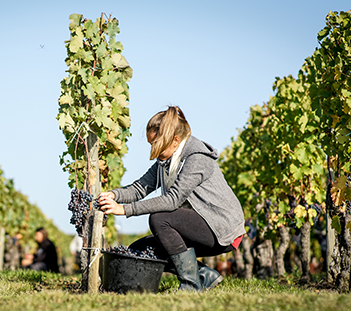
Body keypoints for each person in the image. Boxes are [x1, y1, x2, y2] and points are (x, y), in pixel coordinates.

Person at [98, 106, 245, 292]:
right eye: (151, 144)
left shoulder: (197, 158)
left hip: (221, 228)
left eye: (157, 144)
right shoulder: (165, 161)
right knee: (141, 249)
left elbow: (172, 200)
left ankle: (191, 286)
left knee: (159, 218)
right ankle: (204, 276)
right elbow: (140, 188)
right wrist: (114, 195)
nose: (153, 149)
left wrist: (125, 210)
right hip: (199, 225)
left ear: (176, 140)